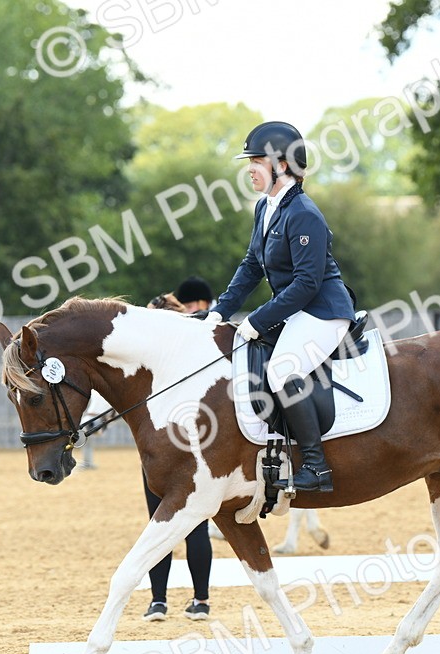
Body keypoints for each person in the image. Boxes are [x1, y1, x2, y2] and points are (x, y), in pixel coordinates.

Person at [203, 121, 356, 493]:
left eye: (256, 160)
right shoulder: (266, 207)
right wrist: (219, 312)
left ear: (282, 166)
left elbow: (307, 283)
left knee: (282, 370)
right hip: (297, 309)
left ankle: (316, 468)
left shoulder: (304, 213)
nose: (250, 168)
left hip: (323, 311)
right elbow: (252, 265)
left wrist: (257, 318)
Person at [143, 287, 214, 621]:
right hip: (195, 444)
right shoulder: (193, 353)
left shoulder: (149, 363)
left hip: (160, 450)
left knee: (158, 523)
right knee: (197, 525)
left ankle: (158, 601)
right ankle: (201, 600)